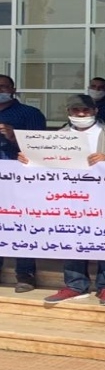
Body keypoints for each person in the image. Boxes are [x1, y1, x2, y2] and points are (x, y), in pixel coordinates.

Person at [19, 95, 105, 306]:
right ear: (68, 112)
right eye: (76, 110)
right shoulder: (58, 137)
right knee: (72, 239)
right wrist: (29, 161)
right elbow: (46, 166)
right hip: (71, 198)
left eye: (86, 110)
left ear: (95, 111)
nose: (81, 114)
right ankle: (75, 285)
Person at [0, 73, 46, 292]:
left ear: (13, 90)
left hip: (20, 179)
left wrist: (13, 136)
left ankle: (25, 274)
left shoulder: (30, 114)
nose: (0, 90)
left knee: (22, 225)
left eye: (3, 87)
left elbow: (41, 149)